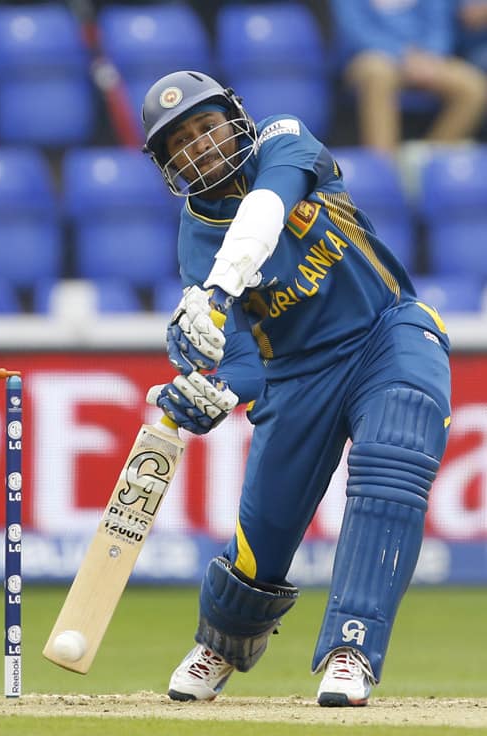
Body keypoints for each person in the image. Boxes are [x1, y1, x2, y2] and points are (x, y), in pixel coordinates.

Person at [141, 70, 452, 707]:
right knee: (265, 539)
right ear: (168, 165)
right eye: (181, 143)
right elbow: (246, 366)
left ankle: (352, 647)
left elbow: (268, 207)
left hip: (385, 332)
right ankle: (223, 643)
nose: (199, 145)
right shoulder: (194, 244)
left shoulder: (286, 142)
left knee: (396, 448)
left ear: (236, 118)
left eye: (206, 126)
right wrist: (209, 390)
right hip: (296, 378)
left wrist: (217, 292)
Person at [328, 0, 487, 155]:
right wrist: (401, 55)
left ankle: (424, 163)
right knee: (379, 73)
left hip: (425, 59)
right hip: (369, 57)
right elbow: (353, 30)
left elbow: (440, 27)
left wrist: (430, 56)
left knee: (474, 87)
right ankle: (384, 166)